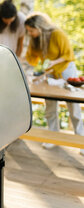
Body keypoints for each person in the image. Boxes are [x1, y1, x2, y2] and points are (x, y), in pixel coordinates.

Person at [24, 12, 83, 155]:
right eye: (28, 31)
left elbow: (68, 55)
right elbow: (31, 60)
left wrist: (54, 62)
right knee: (50, 105)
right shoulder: (36, 39)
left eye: (31, 30)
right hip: (51, 73)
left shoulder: (57, 34)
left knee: (73, 107)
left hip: (66, 71)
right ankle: (52, 136)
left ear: (39, 27)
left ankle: (81, 140)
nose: (30, 33)